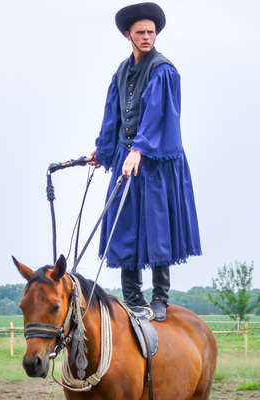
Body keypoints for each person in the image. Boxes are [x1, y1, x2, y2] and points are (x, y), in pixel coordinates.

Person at [88, 2, 201, 322]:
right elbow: (112, 115)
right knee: (124, 225)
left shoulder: (163, 70)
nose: (147, 37)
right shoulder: (120, 72)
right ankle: (133, 298)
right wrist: (103, 150)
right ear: (128, 34)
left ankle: (160, 298)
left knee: (157, 229)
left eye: (151, 32)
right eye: (141, 32)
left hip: (155, 163)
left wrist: (139, 149)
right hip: (128, 158)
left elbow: (156, 115)